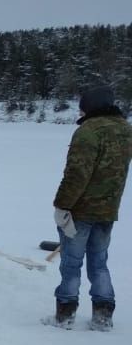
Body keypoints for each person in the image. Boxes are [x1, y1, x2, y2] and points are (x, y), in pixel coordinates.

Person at [51, 85, 132, 331]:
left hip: (81, 211)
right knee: (99, 262)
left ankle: (65, 313)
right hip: (108, 210)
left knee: (71, 262)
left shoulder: (88, 132)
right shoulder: (126, 130)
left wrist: (62, 204)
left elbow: (77, 174)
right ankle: (103, 314)